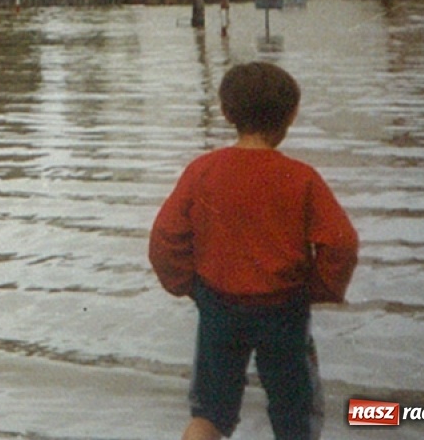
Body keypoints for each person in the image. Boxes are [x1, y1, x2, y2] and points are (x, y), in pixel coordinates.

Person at [149, 61, 359, 440]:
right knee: (295, 414)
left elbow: (165, 236)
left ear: (228, 112)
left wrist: (189, 285)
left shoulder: (203, 170)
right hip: (282, 309)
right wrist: (319, 289)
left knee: (210, 412)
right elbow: (340, 244)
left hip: (219, 303)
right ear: (291, 114)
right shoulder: (301, 177)